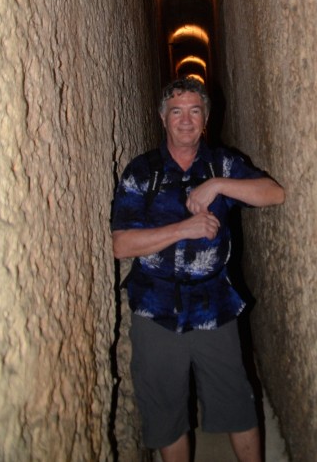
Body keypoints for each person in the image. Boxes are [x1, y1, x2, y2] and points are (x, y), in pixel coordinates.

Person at [111, 77, 285, 462]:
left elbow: (274, 193)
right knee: (166, 411)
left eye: (194, 111)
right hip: (154, 310)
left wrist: (219, 186)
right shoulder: (143, 172)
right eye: (177, 112)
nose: (186, 120)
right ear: (163, 118)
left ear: (205, 118)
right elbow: (121, 244)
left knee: (237, 401)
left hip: (214, 306)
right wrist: (183, 230)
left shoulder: (221, 163)